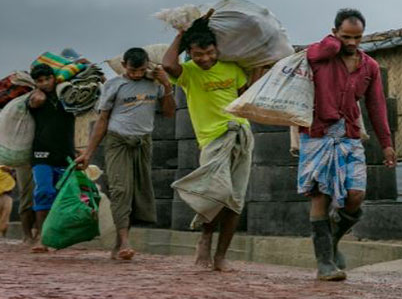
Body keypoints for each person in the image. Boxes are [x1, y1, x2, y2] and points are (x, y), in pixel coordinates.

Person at [300, 9, 396, 281]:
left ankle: (331, 240)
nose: (352, 43)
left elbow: (377, 107)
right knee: (321, 195)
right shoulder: (321, 54)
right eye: (346, 36)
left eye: (357, 37)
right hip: (317, 133)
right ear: (334, 32)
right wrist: (334, 42)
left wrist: (386, 143)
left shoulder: (370, 67)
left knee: (355, 195)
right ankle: (324, 264)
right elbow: (315, 53)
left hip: (350, 135)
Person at [163, 16, 252, 272]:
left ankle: (221, 255)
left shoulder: (231, 68)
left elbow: (246, 96)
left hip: (241, 135)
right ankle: (205, 238)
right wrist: (181, 34)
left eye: (209, 52)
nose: (205, 58)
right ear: (189, 53)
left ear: (217, 49)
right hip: (212, 141)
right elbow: (168, 64)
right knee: (216, 193)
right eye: (198, 54)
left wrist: (258, 68)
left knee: (235, 199)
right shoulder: (189, 73)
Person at [77, 47, 176, 260]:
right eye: (132, 70)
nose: (137, 74)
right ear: (124, 66)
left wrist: (167, 84)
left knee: (136, 193)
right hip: (118, 142)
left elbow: (169, 113)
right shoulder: (114, 86)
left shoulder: (155, 83)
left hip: (143, 143)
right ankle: (125, 241)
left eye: (141, 70)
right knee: (120, 189)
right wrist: (88, 153)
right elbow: (102, 120)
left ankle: (119, 242)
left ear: (148, 65)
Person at [27, 63, 76, 253]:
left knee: (62, 197)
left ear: (55, 78)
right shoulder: (34, 98)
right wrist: (36, 94)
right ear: (35, 83)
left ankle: (57, 237)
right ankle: (41, 237)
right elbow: (34, 102)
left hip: (65, 154)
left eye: (48, 79)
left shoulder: (69, 96)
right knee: (44, 191)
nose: (45, 83)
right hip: (41, 154)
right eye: (40, 81)